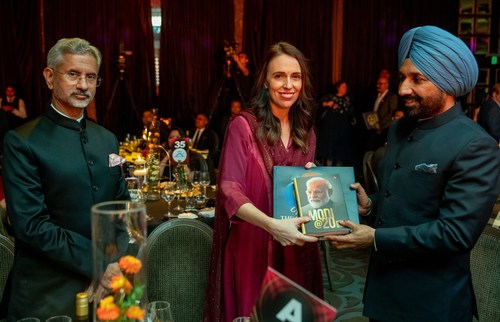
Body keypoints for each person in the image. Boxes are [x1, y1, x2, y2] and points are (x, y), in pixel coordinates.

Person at [326, 26, 500, 322]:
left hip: (431, 303)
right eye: (403, 77)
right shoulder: (399, 128)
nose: (403, 88)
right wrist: (371, 204)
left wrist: (375, 239)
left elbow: (455, 234)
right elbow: (403, 196)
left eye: (417, 79)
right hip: (382, 291)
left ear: (447, 82)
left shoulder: (475, 145)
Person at [0, 38, 129, 320]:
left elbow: (122, 208)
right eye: (73, 74)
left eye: (91, 77)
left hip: (107, 284)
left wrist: (113, 263)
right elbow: (31, 226)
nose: (83, 85)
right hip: (47, 291)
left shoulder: (107, 140)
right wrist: (97, 264)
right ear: (49, 77)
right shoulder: (21, 142)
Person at [204, 42, 322, 322]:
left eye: (295, 76)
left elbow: (304, 190)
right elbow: (229, 190)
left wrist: (314, 180)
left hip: (295, 248)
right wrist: (271, 225)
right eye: (279, 76)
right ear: (265, 82)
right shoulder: (243, 126)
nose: (288, 84)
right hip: (253, 247)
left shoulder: (307, 131)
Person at [316, 80, 356, 166]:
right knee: (329, 154)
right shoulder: (330, 97)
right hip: (330, 131)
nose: (345, 89)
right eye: (343, 87)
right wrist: (326, 104)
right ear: (338, 87)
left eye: (346, 87)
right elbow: (317, 105)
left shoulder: (347, 99)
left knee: (340, 155)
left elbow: (352, 114)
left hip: (342, 132)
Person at [366, 76, 398, 151]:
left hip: (384, 130)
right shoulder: (375, 95)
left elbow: (391, 114)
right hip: (374, 128)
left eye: (380, 84)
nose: (378, 85)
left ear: (387, 85)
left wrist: (379, 125)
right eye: (377, 83)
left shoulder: (392, 96)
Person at [0, 84, 28, 154]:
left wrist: (12, 109)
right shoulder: (1, 100)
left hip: (16, 126)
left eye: (11, 91)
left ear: (15, 92)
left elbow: (24, 116)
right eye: (7, 91)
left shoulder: (19, 100)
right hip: (3, 127)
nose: (9, 93)